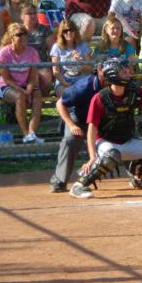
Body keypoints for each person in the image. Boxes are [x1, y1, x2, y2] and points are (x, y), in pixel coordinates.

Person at [69, 58, 142, 199]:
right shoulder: (100, 98)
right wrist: (92, 157)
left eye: (127, 70)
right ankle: (79, 185)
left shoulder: (132, 92)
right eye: (124, 71)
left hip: (125, 141)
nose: (129, 73)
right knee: (112, 155)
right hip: (105, 143)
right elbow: (92, 129)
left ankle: (140, 178)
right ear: (113, 75)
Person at [50, 62, 107, 193]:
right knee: (71, 139)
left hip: (101, 119)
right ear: (99, 70)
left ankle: (139, 177)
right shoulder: (84, 86)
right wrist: (71, 125)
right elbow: (60, 103)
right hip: (79, 117)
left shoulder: (117, 84)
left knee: (125, 134)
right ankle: (59, 180)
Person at [0, 23, 44, 144]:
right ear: (11, 38)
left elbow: (33, 77)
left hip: (26, 85)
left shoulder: (32, 52)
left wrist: (29, 90)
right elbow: (7, 79)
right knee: (20, 97)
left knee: (38, 97)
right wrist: (23, 92)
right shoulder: (4, 53)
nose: (23, 37)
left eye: (24, 34)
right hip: (8, 86)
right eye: (19, 35)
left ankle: (32, 134)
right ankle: (25, 134)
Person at [50, 19, 93, 96]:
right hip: (63, 80)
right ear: (61, 33)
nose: (69, 32)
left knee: (84, 93)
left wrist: (80, 62)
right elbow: (56, 71)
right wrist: (65, 83)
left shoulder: (83, 45)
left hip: (82, 79)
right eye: (65, 31)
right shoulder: (56, 47)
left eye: (71, 30)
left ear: (75, 31)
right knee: (67, 94)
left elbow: (90, 68)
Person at [21, 2, 55, 95]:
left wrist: (53, 67)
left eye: (34, 13)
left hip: (41, 64)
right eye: (29, 14)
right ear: (22, 16)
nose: (32, 16)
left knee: (46, 76)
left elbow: (53, 51)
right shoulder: (18, 31)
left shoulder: (45, 30)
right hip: (23, 64)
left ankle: (40, 98)